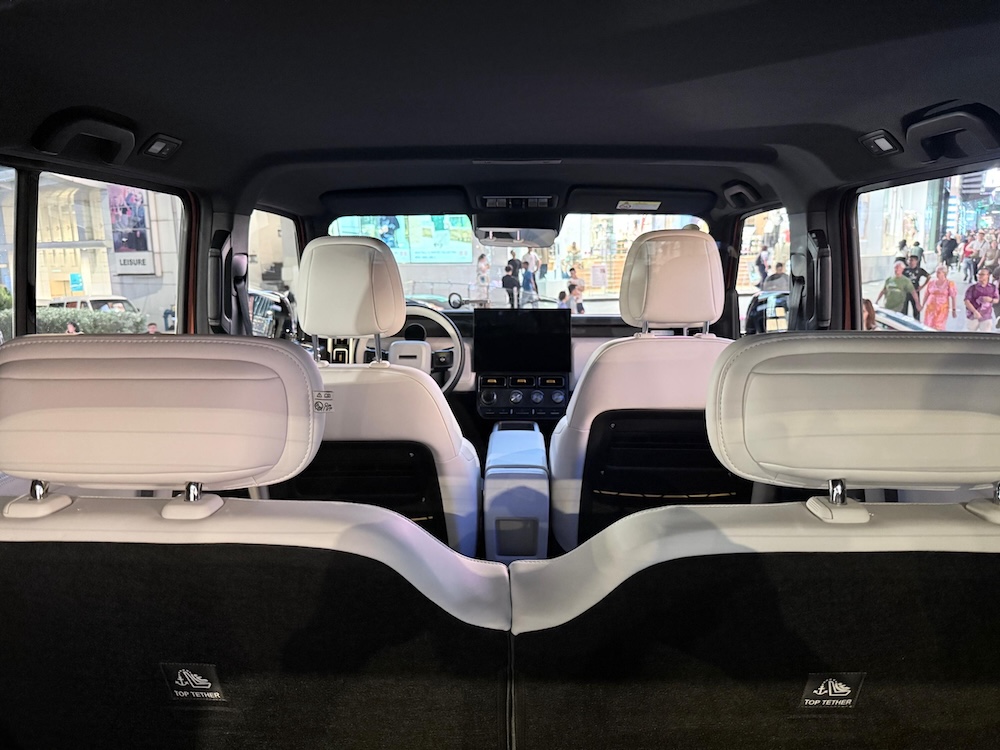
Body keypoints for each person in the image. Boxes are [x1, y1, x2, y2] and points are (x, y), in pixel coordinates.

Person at [920, 265, 957, 331]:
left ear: (944, 273)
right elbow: (926, 294)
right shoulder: (931, 282)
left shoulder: (949, 283)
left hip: (942, 309)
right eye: (936, 272)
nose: (937, 274)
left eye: (939, 272)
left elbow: (953, 297)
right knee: (929, 324)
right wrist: (922, 305)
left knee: (939, 326)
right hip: (930, 308)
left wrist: (954, 310)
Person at [964, 267, 999, 332]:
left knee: (986, 335)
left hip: (986, 316)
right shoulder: (972, 288)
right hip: (973, 316)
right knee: (970, 335)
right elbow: (966, 301)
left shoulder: (993, 287)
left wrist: (991, 300)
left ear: (988, 276)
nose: (980, 276)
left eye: (982, 274)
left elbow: (997, 300)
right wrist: (975, 312)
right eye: (978, 274)